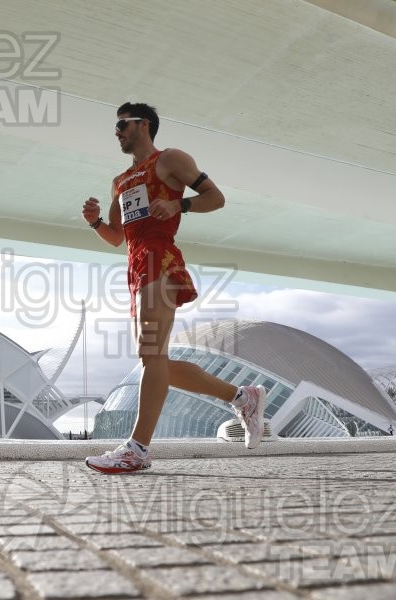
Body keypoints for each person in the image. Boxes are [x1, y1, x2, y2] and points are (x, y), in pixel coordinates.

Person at [81, 102, 267, 474]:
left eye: (122, 124)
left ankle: (138, 449)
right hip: (135, 266)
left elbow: (216, 198)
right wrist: (95, 222)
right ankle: (243, 397)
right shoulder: (119, 181)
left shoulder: (171, 160)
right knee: (154, 359)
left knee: (151, 355)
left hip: (160, 259)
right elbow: (117, 238)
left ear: (143, 124)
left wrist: (178, 204)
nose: (117, 132)